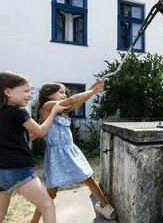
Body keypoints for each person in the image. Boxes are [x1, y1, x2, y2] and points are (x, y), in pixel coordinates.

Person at [31, 80, 116, 222]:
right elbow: (71, 101)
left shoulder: (61, 111)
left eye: (65, 92)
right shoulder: (47, 107)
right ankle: (34, 221)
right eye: (61, 92)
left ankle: (103, 204)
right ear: (49, 95)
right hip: (56, 155)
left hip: (70, 151)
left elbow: (76, 102)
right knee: (51, 192)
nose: (65, 95)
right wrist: (94, 90)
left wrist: (92, 88)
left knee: (88, 177)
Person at [0, 71, 67, 223]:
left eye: (30, 91)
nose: (29, 95)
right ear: (8, 91)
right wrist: (54, 112)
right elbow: (41, 131)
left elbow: (13, 137)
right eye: (26, 90)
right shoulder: (19, 112)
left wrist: (28, 136)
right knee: (48, 206)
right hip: (18, 170)